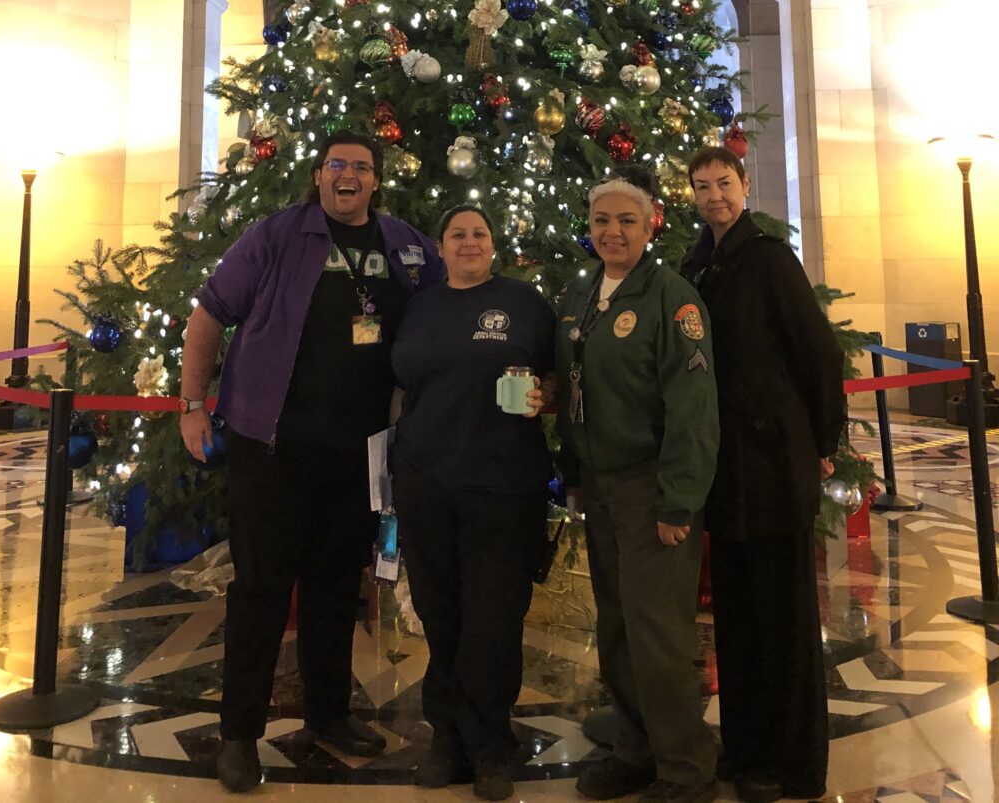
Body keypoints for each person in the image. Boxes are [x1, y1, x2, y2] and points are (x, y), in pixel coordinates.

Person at [178, 130, 444, 793]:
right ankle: (239, 734)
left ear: (376, 180)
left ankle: (328, 714)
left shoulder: (406, 246)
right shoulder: (276, 236)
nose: (348, 175)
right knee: (261, 590)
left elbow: (447, 307)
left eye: (362, 167)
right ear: (319, 174)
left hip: (358, 455)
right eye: (337, 164)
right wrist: (191, 404)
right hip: (273, 449)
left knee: (333, 588)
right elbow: (209, 314)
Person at [680, 146, 844, 803]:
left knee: (784, 617)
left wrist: (824, 441)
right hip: (725, 467)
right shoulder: (697, 263)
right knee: (739, 616)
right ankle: (746, 747)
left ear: (745, 185)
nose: (714, 196)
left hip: (774, 461)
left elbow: (818, 352)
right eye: (702, 186)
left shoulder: (771, 258)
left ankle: (793, 761)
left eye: (724, 182)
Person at [555, 167, 720, 803]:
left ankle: (685, 769)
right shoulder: (582, 291)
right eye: (602, 220)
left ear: (651, 225)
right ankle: (636, 749)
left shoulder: (672, 298)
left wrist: (679, 500)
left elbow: (693, 409)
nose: (613, 232)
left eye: (627, 220)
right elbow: (573, 385)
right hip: (601, 486)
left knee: (657, 634)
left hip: (652, 489)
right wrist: (574, 473)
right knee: (618, 625)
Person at [390, 205, 555, 801]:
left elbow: (558, 378)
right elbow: (401, 385)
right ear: (440, 247)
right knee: (439, 613)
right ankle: (447, 739)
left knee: (493, 618)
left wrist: (543, 397)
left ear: (493, 244)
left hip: (503, 487)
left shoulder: (524, 303)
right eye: (457, 234)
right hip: (426, 482)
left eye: (479, 233)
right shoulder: (419, 306)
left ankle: (490, 747)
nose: (468, 242)